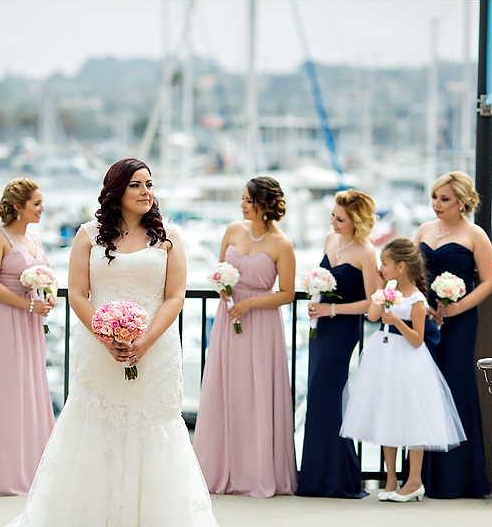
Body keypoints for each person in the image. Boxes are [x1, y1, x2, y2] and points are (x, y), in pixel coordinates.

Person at [0, 158, 225, 527]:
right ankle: (92, 526)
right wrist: (107, 337)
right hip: (99, 346)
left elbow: (174, 297)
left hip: (155, 348)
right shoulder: (88, 236)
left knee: (152, 426)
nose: (146, 192)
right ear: (117, 191)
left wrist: (143, 342)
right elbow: (77, 294)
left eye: (150, 184)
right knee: (98, 425)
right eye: (137, 186)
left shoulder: (169, 237)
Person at [193, 176, 297, 498]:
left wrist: (250, 302)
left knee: (257, 394)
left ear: (264, 205)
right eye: (242, 199)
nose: (242, 205)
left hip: (262, 323)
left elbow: (288, 294)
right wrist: (224, 288)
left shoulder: (282, 244)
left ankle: (256, 472)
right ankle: (220, 468)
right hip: (229, 320)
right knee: (227, 390)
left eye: (248, 200)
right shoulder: (232, 231)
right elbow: (220, 272)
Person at [340, 238, 466, 503]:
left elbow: (418, 339)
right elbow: (373, 316)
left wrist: (397, 319)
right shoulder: (388, 290)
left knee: (412, 417)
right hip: (384, 355)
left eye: (384, 264)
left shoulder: (417, 300)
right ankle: (391, 480)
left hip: (408, 359)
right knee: (387, 413)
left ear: (400, 266)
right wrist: (382, 291)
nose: (380, 267)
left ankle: (415, 481)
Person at [0, 178, 57, 496]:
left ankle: (30, 469)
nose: (42, 208)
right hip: (5, 319)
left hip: (30, 323)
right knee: (3, 391)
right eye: (37, 203)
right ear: (18, 206)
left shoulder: (33, 237)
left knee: (29, 390)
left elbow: (48, 274)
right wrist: (28, 303)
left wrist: (51, 294)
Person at [414, 171, 492, 499]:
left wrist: (456, 308)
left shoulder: (475, 234)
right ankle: (423, 478)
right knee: (425, 387)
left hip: (460, 322)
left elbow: (490, 281)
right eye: (434, 197)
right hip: (426, 320)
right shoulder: (423, 229)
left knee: (456, 386)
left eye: (444, 199)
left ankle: (459, 479)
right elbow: (412, 272)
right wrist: (425, 306)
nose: (436, 204)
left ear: (462, 202)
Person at [296, 190, 380, 499]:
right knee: (318, 398)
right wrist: (316, 301)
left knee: (329, 399)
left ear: (356, 221)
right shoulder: (331, 241)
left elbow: (372, 305)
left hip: (344, 331)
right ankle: (317, 478)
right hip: (321, 330)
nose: (333, 221)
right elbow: (323, 279)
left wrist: (332, 309)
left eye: (340, 218)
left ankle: (337, 479)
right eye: (332, 215)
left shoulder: (366, 252)